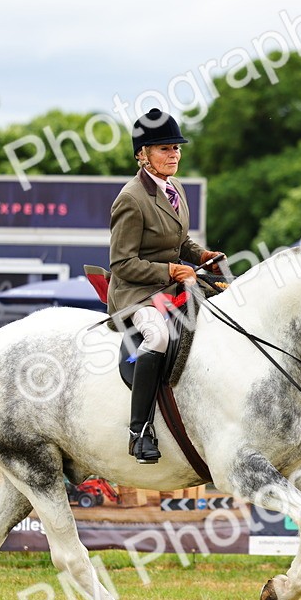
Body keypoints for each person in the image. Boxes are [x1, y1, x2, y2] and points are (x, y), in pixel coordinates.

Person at [109, 108, 222, 463]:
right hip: (136, 294)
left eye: (176, 148)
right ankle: (139, 430)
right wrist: (172, 271)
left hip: (170, 288)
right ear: (142, 155)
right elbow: (122, 263)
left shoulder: (175, 189)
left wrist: (199, 254)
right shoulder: (130, 199)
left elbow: (178, 239)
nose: (174, 154)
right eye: (164, 149)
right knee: (157, 336)